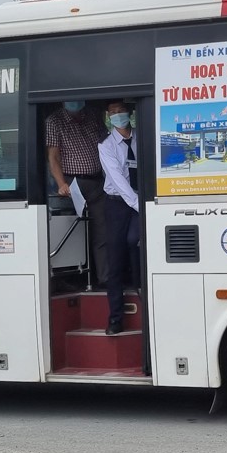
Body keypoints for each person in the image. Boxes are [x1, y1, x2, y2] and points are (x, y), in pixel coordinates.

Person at [46, 101, 109, 287]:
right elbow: (53, 156)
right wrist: (61, 184)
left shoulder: (93, 115)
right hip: (71, 183)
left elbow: (106, 143)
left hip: (98, 181)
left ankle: (104, 279)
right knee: (74, 230)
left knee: (102, 231)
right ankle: (71, 278)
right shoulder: (54, 120)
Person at [98, 101, 141, 335]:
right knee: (115, 259)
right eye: (112, 112)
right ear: (107, 116)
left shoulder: (142, 138)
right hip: (117, 204)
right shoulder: (106, 145)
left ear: (130, 113)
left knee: (135, 242)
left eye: (120, 111)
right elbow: (116, 179)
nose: (117, 115)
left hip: (140, 201)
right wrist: (136, 204)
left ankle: (142, 293)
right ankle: (115, 318)